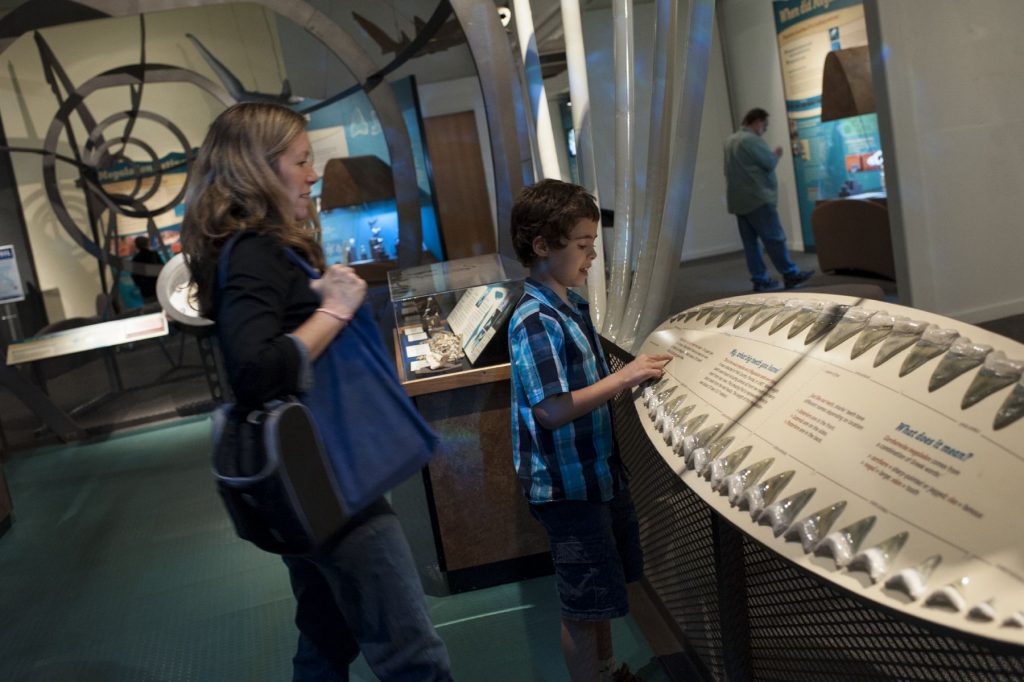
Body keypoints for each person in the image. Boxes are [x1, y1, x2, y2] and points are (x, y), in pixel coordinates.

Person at [180, 102, 451, 681]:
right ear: (260, 167)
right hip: (332, 480)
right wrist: (334, 309)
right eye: (301, 162)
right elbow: (252, 368)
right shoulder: (252, 252)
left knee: (326, 638)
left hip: (316, 480)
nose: (311, 174)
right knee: (412, 655)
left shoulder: (252, 249)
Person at [508, 179, 672, 682]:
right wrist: (625, 376)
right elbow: (551, 411)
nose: (592, 257)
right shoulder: (535, 319)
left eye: (592, 245)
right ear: (542, 246)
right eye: (582, 246)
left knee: (600, 594)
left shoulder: (569, 307)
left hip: (595, 477)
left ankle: (606, 670)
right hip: (568, 488)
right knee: (583, 603)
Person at [724, 107, 814, 292]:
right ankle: (790, 274)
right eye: (765, 125)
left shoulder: (729, 141)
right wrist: (777, 154)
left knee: (751, 245)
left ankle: (760, 280)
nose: (764, 129)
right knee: (774, 239)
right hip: (757, 199)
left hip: (738, 201)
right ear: (757, 122)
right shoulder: (751, 140)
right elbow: (768, 163)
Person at [131, 235, 163, 303]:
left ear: (137, 246)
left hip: (146, 291)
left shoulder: (135, 259)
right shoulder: (154, 254)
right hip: (158, 286)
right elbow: (162, 269)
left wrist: (141, 284)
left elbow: (135, 276)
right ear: (147, 243)